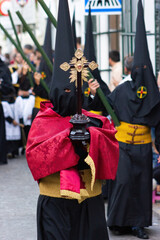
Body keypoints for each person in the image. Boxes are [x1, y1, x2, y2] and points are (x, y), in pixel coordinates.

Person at [26, 1, 119, 239]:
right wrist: (68, 139)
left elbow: (111, 146)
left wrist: (91, 137)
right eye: (64, 93)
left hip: (88, 202)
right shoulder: (43, 121)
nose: (69, 98)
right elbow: (36, 158)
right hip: (55, 202)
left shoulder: (94, 121)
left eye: (73, 93)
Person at [88, 1, 160, 239]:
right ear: (131, 70)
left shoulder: (153, 93)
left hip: (141, 147)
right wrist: (95, 91)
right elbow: (106, 105)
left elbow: (158, 121)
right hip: (123, 146)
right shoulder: (122, 90)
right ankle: (119, 221)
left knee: (140, 186)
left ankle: (138, 224)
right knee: (123, 184)